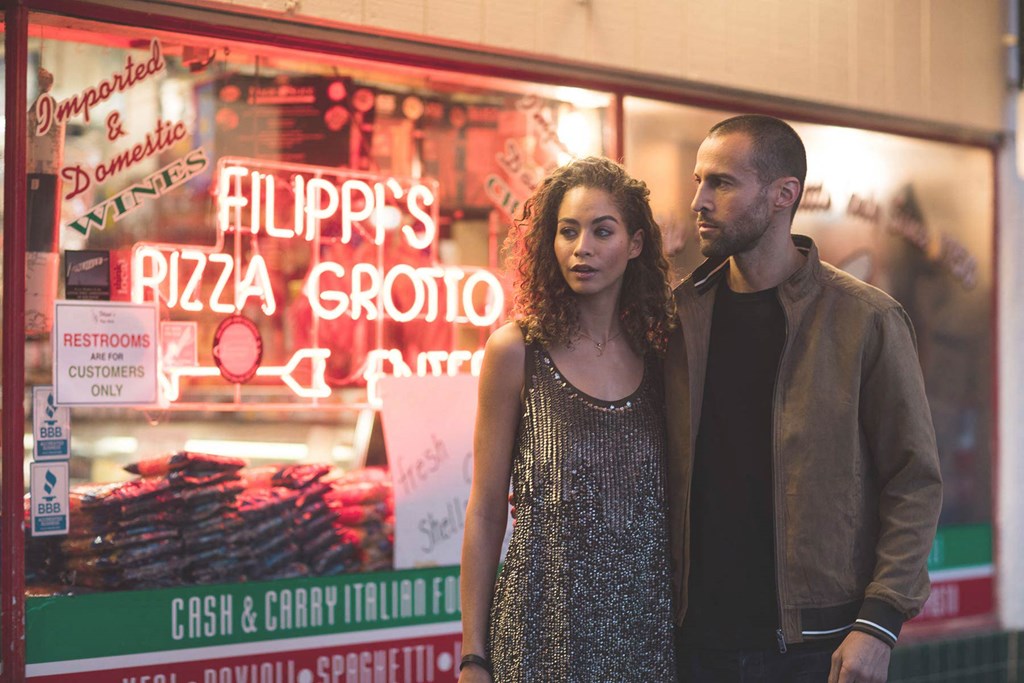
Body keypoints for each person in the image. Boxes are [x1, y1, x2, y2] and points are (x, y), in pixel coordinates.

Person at [666, 114, 943, 683]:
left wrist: (879, 622)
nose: (699, 200)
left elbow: (913, 480)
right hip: (692, 642)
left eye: (721, 182)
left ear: (782, 195)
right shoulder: (679, 318)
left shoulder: (865, 319)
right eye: (699, 180)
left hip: (819, 646)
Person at [459, 156, 678, 682]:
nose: (582, 249)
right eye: (568, 231)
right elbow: (487, 511)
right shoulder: (517, 350)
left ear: (636, 244)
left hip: (645, 636)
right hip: (539, 633)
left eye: (603, 231)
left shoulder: (663, 356)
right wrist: (473, 654)